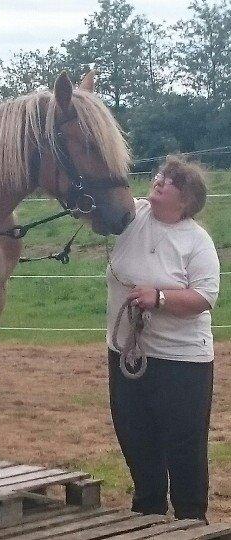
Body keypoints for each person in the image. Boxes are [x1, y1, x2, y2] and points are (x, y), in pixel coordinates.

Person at [106, 155, 220, 520]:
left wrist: (160, 298)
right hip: (128, 354)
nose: (159, 180)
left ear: (185, 200)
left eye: (171, 180)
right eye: (160, 174)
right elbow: (98, 206)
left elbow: (204, 298)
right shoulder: (133, 215)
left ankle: (191, 519)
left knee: (184, 443)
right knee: (135, 434)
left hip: (182, 362)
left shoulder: (196, 241)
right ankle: (148, 512)